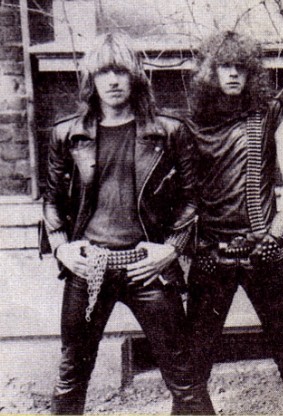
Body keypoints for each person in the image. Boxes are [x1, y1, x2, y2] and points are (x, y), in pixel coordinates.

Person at [42, 32, 207, 414]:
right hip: (89, 268)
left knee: (185, 379)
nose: (113, 81)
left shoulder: (169, 132)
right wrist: (62, 247)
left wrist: (171, 249)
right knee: (71, 376)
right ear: (92, 78)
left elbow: (192, 198)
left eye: (121, 71)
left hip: (146, 268)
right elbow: (51, 200)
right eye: (104, 72)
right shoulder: (68, 134)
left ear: (135, 76)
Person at [185, 31, 283, 414]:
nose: (233, 74)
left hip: (263, 250)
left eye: (241, 66)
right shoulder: (192, 122)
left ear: (252, 71)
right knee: (194, 360)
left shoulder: (271, 113)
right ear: (211, 71)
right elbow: (183, 193)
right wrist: (194, 244)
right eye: (225, 66)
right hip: (211, 255)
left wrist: (278, 232)